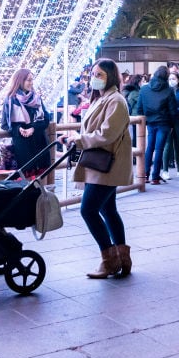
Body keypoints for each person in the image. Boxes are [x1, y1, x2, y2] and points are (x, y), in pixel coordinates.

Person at [56, 58, 133, 278]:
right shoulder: (102, 99)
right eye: (93, 74)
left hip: (108, 164)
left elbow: (107, 134)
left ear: (110, 76)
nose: (94, 78)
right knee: (108, 210)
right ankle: (122, 258)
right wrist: (75, 138)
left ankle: (109, 260)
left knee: (88, 210)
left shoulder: (116, 101)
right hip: (102, 163)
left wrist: (79, 139)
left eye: (99, 75)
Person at [0, 68, 54, 179]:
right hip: (23, 147)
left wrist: (33, 128)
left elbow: (46, 119)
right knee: (25, 179)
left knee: (41, 178)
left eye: (32, 80)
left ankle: (41, 197)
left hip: (39, 143)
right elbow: (6, 124)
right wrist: (19, 129)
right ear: (20, 81)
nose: (31, 83)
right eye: (28, 80)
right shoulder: (10, 100)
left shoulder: (36, 98)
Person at [135, 66, 178, 185]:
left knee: (150, 148)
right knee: (159, 149)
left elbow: (139, 108)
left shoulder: (144, 89)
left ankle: (145, 174)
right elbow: (173, 111)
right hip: (164, 123)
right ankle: (155, 177)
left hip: (149, 122)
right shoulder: (169, 90)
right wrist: (173, 125)